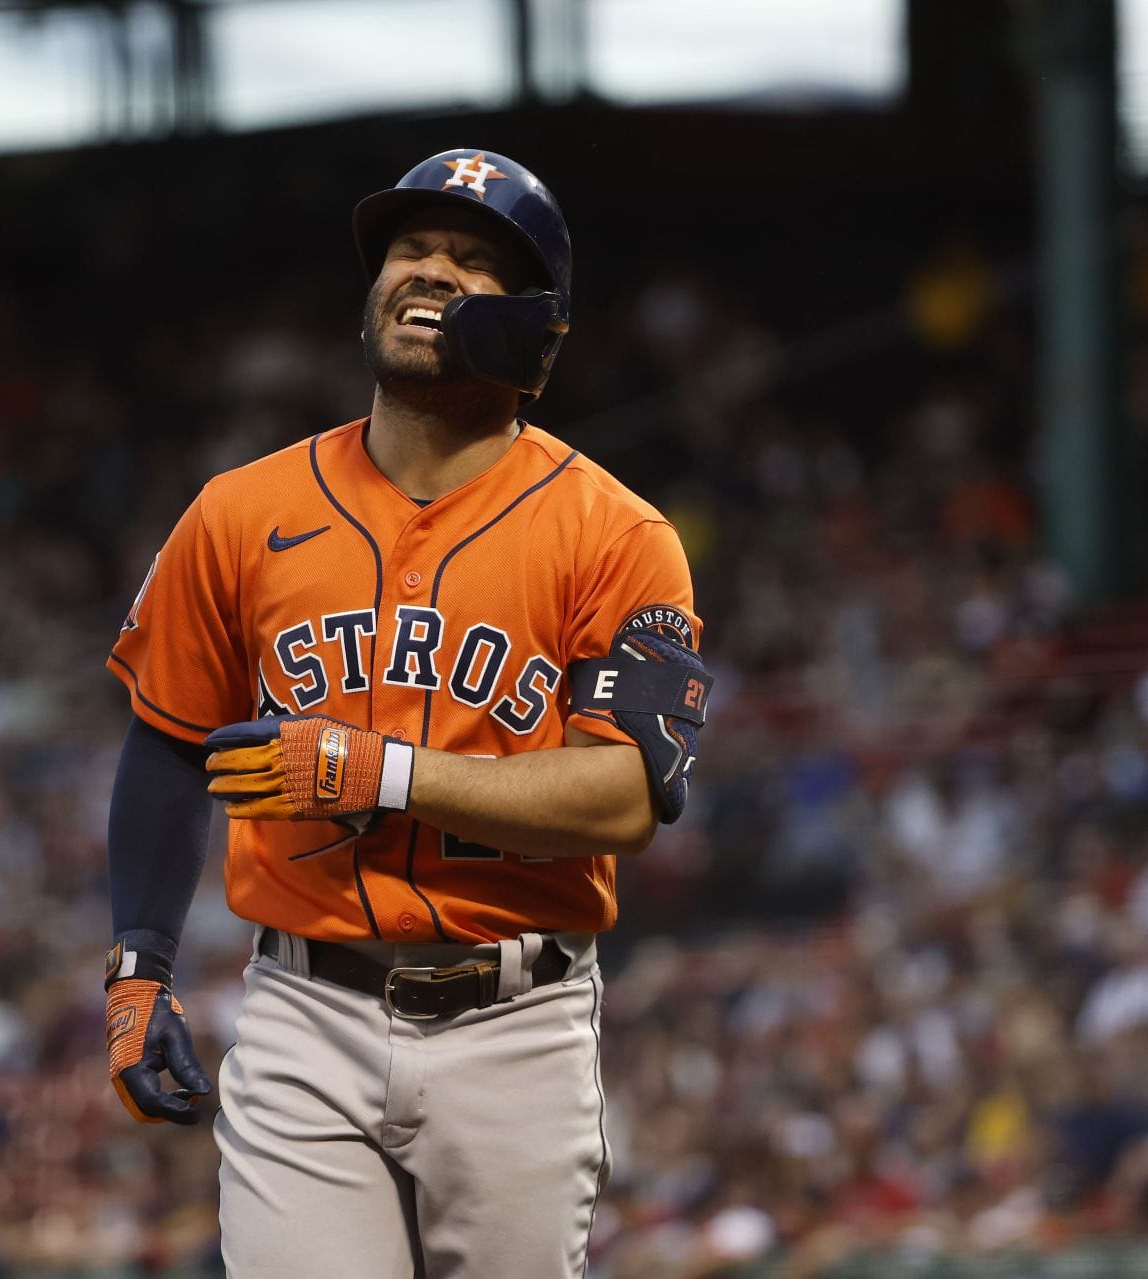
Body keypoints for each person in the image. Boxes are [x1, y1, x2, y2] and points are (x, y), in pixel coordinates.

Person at [102, 147, 711, 1278]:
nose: (427, 270)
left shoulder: (619, 536)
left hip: (514, 1022)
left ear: (541, 331)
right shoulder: (240, 513)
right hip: (303, 1009)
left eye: (473, 261)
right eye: (410, 248)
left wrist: (379, 773)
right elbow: (166, 741)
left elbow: (629, 793)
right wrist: (140, 968)